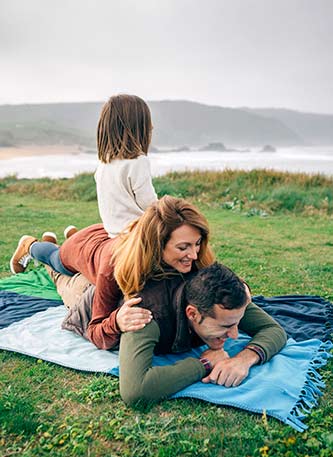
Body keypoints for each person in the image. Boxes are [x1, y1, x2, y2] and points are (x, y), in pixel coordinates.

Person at [48, 262, 287, 404]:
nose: (235, 335)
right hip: (90, 302)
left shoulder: (220, 295)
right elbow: (135, 391)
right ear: (193, 314)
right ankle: (45, 256)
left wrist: (244, 359)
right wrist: (204, 363)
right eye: (225, 328)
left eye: (237, 323)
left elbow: (272, 329)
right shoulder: (144, 315)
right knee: (69, 284)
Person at [10, 196, 215, 349]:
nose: (194, 255)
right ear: (157, 245)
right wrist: (116, 321)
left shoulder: (190, 252)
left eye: (197, 244)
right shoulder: (115, 266)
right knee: (56, 261)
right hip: (84, 249)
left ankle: (63, 239)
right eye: (183, 248)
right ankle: (31, 246)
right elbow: (95, 329)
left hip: (109, 236)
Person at [95, 94, 157, 237]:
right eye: (147, 122)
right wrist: (167, 207)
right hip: (136, 234)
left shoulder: (104, 162)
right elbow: (148, 204)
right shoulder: (138, 161)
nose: (151, 126)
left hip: (113, 233)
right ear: (138, 126)